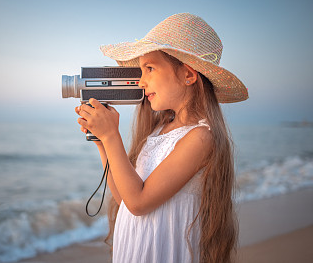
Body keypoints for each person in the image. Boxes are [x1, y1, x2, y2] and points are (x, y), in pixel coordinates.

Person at [75, 13, 248, 263]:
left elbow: (139, 202)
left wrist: (113, 136)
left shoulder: (200, 137)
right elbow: (125, 197)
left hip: (162, 251)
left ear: (188, 75)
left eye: (150, 68)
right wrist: (103, 142)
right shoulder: (158, 130)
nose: (141, 81)